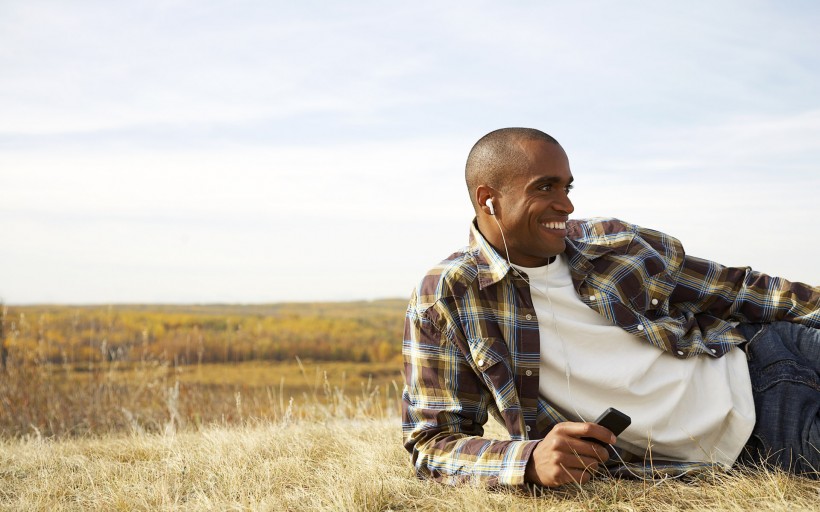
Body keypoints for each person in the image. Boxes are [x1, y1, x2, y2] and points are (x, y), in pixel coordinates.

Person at [401, 127, 820, 488]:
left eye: (567, 187)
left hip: (769, 353)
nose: (566, 204)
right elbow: (432, 443)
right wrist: (528, 462)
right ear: (488, 199)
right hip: (762, 432)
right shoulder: (447, 297)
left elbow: (737, 288)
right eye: (545, 187)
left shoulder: (612, 243)